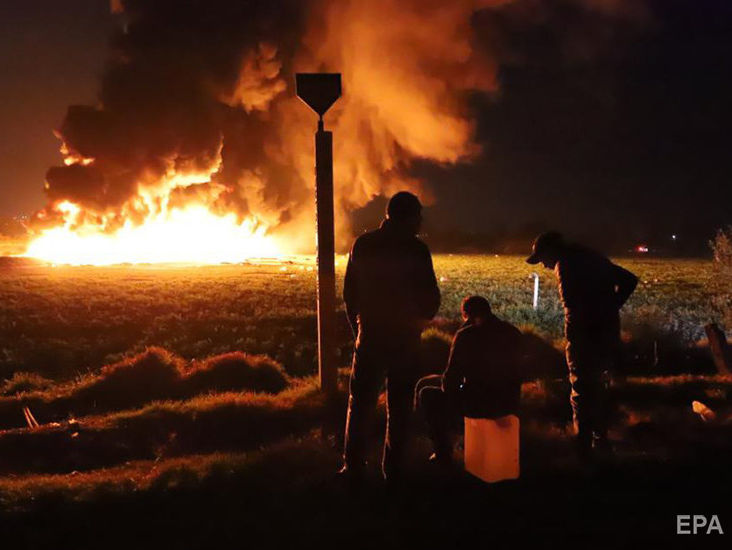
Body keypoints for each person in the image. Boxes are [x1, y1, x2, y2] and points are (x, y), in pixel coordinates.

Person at [340, 191, 441, 484]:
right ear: (408, 217)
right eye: (418, 216)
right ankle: (393, 471)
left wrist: (358, 330)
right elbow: (430, 296)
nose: (421, 222)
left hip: (371, 335)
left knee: (359, 404)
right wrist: (418, 325)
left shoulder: (364, 245)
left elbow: (351, 294)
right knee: (400, 406)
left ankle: (353, 468)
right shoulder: (417, 249)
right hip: (405, 339)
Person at [526, 231, 638, 460]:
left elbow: (573, 308)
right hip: (607, 333)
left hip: (585, 338)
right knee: (599, 386)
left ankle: (583, 446)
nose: (545, 265)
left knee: (581, 388)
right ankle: (601, 440)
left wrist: (578, 332)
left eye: (543, 258)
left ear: (551, 251)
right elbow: (629, 279)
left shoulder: (565, 265)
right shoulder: (591, 257)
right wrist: (611, 307)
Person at [416, 296, 523, 465]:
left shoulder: (466, 335)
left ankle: (443, 452)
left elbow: (450, 382)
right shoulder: (513, 332)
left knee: (426, 392)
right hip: (508, 402)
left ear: (466, 315)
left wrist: (460, 335)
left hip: (478, 403)